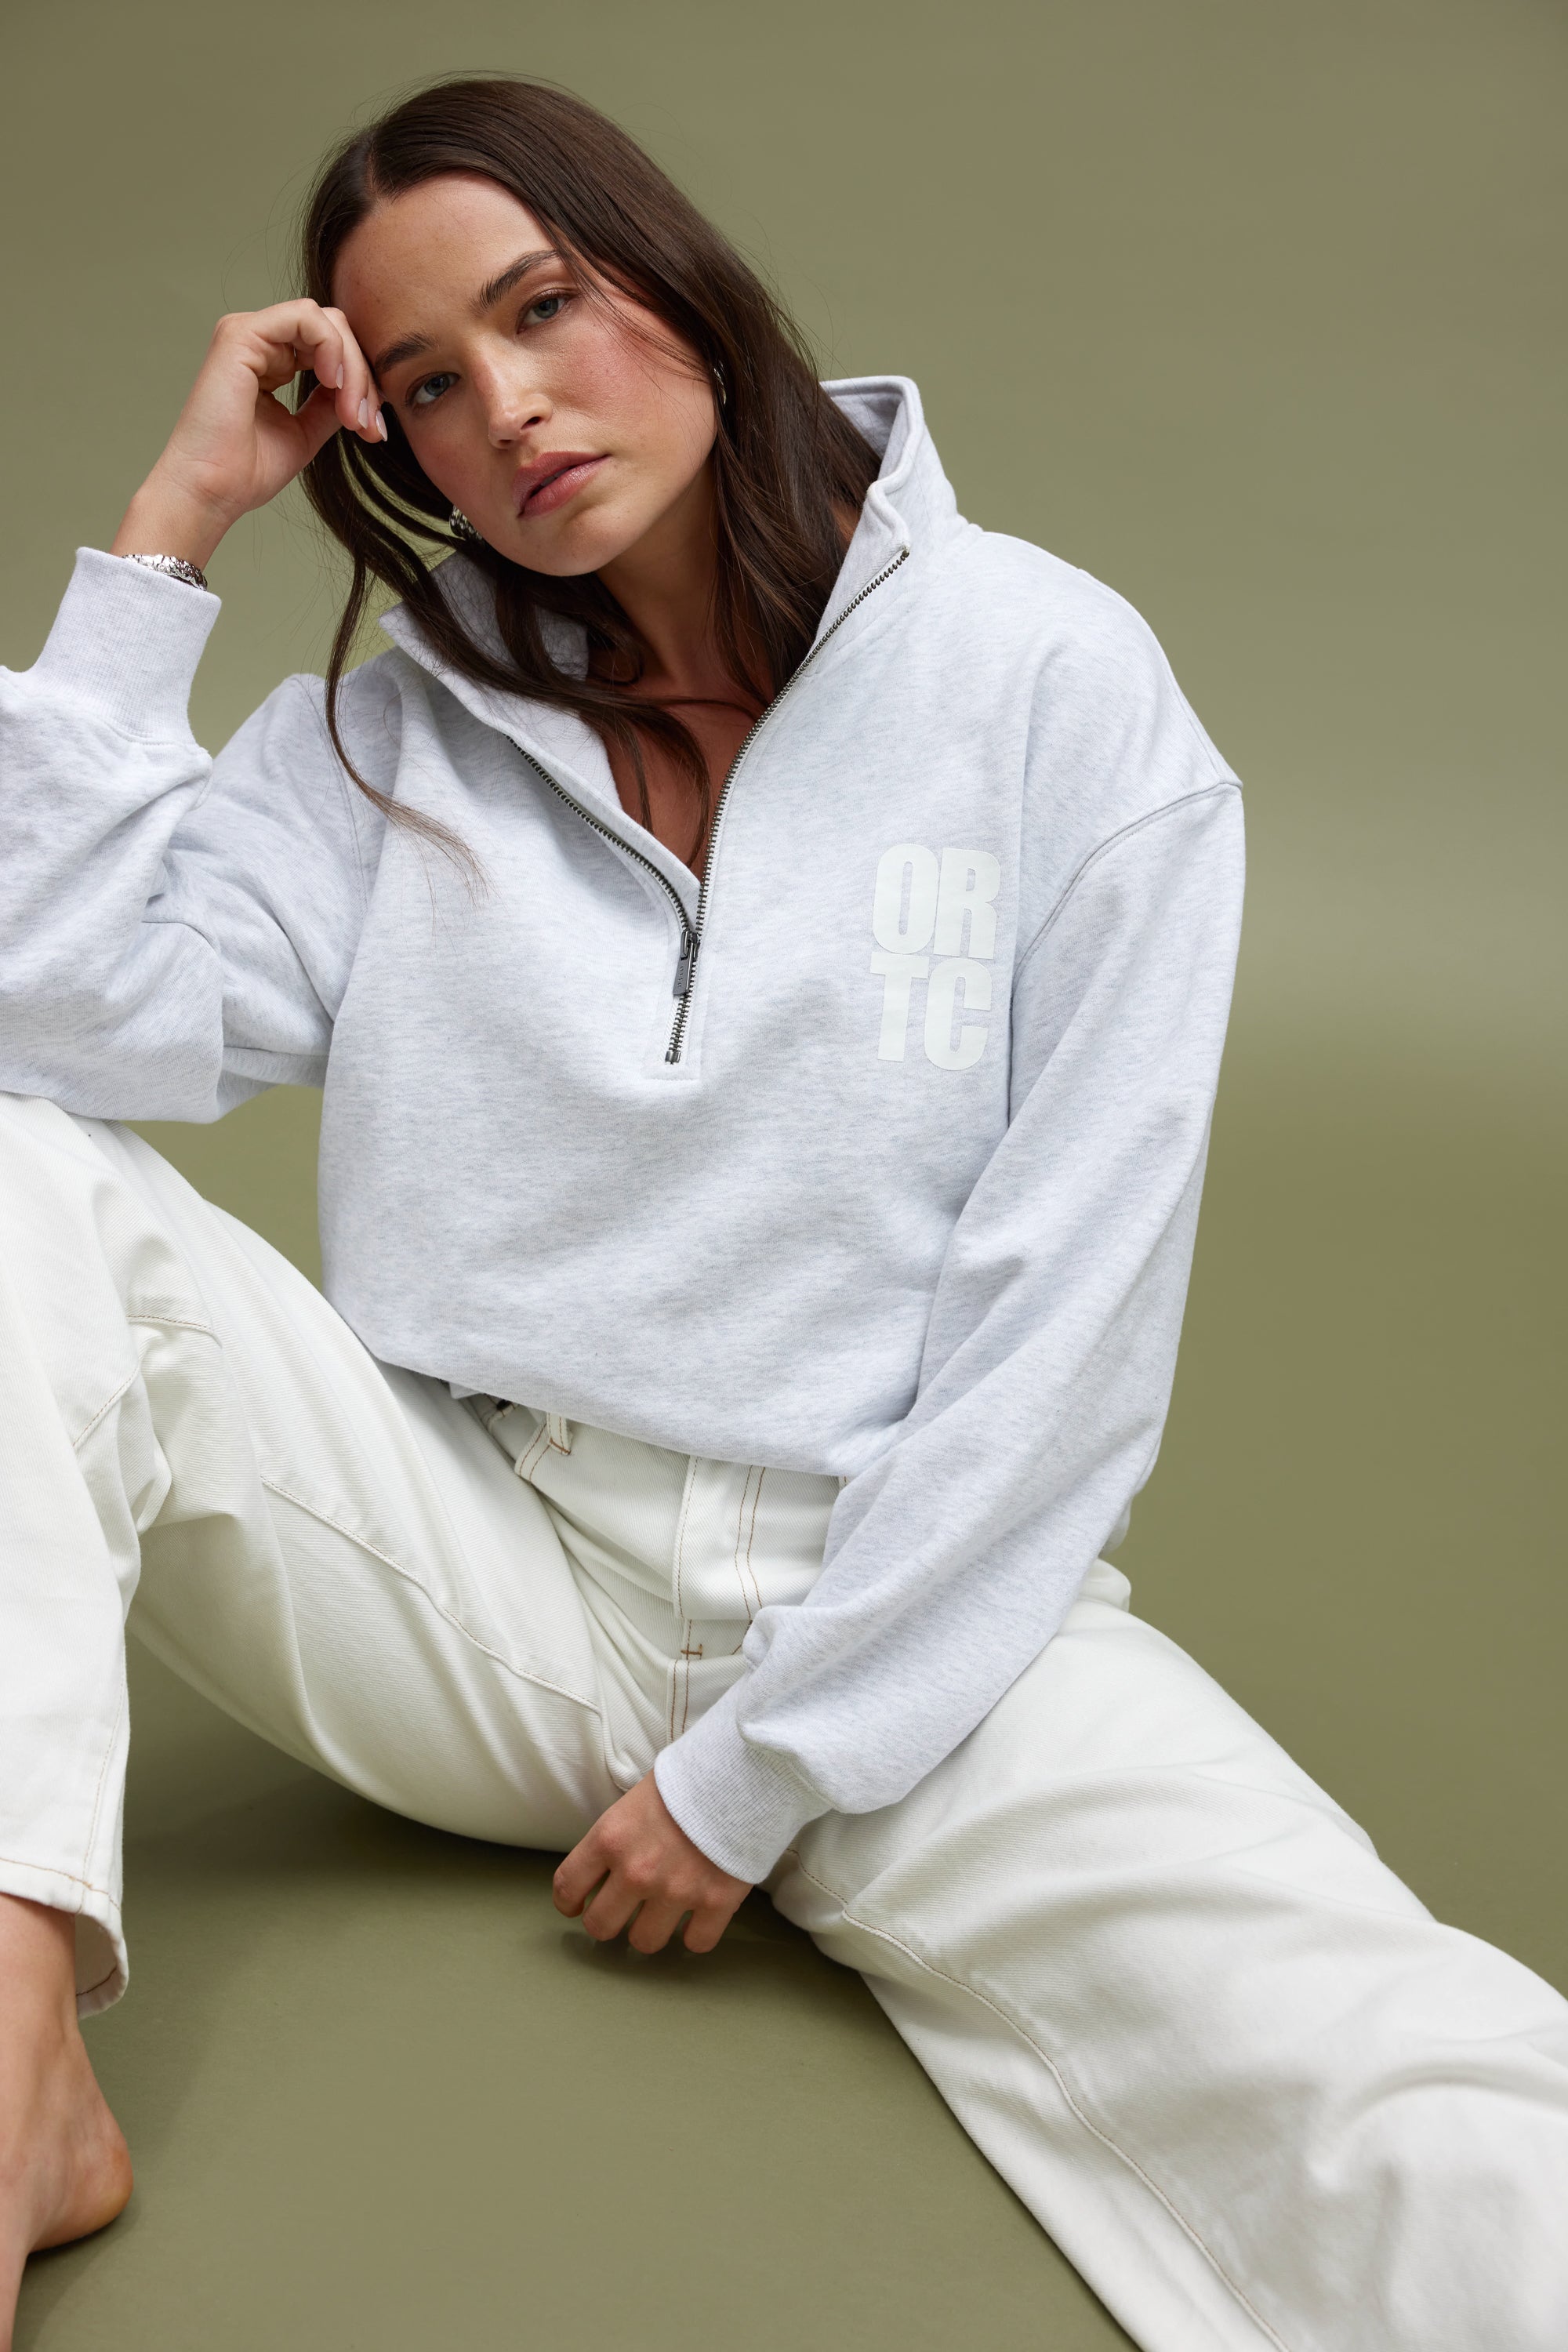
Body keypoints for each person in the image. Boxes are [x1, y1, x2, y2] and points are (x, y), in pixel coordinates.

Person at [0, 73, 1563, 2352]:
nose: (506, 409)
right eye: (424, 385)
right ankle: (16, 2057)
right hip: (484, 1575)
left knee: (1406, 2078)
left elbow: (1073, 1310)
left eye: (544, 307)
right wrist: (164, 542)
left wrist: (766, 1771)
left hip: (913, 1624)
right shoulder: (391, 738)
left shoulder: (1047, 679)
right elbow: (48, 1013)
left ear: (681, 285)